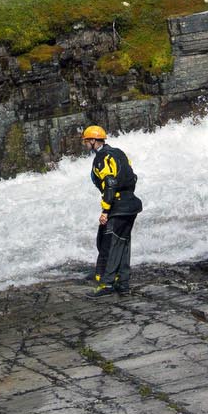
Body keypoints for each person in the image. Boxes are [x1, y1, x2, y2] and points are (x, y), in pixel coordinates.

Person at [82, 125, 142, 296]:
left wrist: (105, 210)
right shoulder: (119, 152)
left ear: (93, 141)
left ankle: (106, 284)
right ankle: (123, 282)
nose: (85, 144)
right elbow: (132, 176)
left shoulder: (101, 158)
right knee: (123, 243)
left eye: (86, 141)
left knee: (110, 243)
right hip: (131, 203)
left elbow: (110, 183)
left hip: (117, 205)